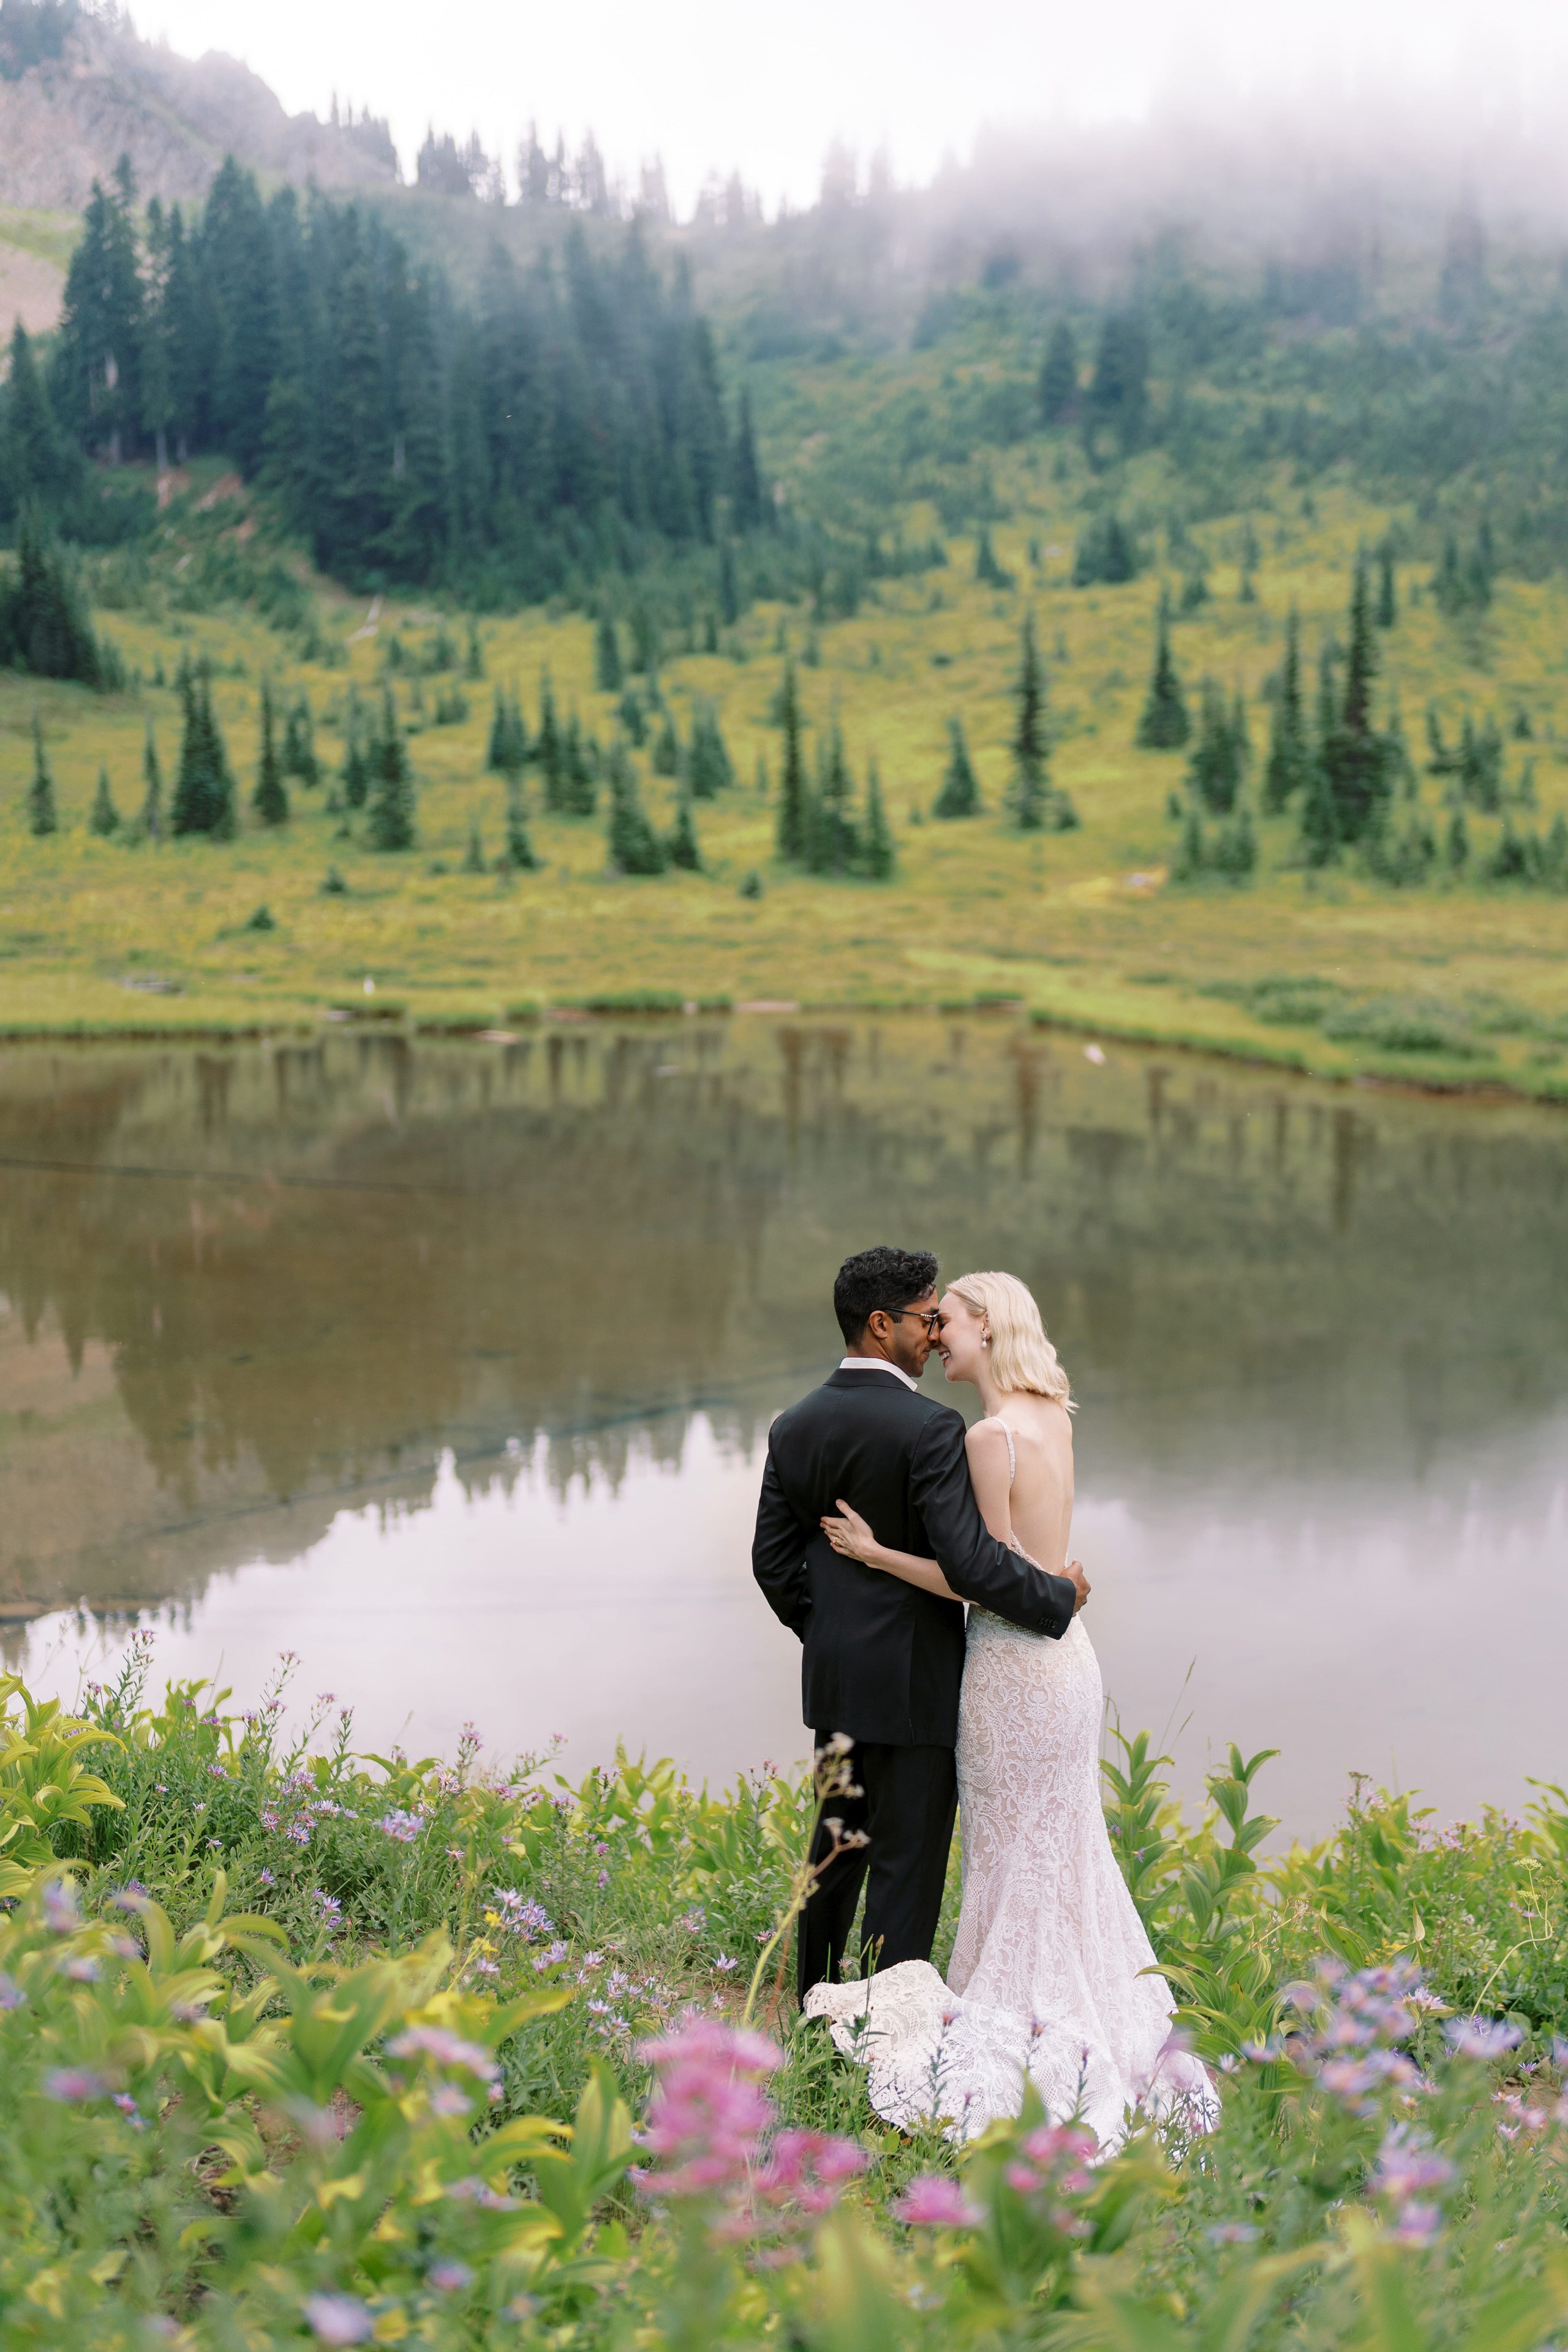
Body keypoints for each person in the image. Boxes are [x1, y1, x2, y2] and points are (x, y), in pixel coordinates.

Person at [804, 1268, 1218, 2149]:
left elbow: (977, 1577)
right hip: (1068, 1662)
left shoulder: (991, 1437)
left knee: (1011, 1850)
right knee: (1061, 1849)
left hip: (1012, 1669)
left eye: (946, 1319)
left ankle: (1021, 2030)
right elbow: (1043, 1558)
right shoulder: (1053, 1418)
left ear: (984, 1326)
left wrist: (876, 1555)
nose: (935, 1333)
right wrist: (1060, 1588)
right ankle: (1097, 2017)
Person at [752, 1245, 1087, 2005]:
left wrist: (832, 1632)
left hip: (837, 1681)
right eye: (924, 1316)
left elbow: (773, 1566)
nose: (934, 1332)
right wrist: (1056, 1597)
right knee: (905, 1863)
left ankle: (813, 2007)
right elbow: (969, 1564)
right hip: (918, 1680)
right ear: (880, 1325)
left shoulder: (793, 1424)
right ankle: (884, 2031)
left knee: (835, 1849)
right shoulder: (932, 1428)